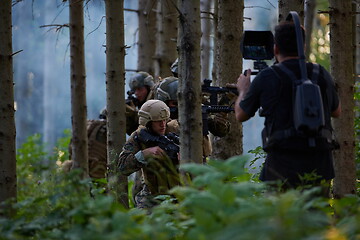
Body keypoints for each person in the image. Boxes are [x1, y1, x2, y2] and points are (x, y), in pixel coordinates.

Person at [234, 21, 341, 194]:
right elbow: (337, 111)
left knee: (282, 219)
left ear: (275, 49)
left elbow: (241, 115)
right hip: (320, 164)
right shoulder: (319, 72)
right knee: (316, 217)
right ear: (303, 47)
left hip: (281, 166)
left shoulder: (267, 76)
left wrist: (243, 90)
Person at [118, 99, 180, 208]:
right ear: (148, 122)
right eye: (158, 121)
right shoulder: (139, 137)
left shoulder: (176, 129)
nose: (163, 124)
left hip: (180, 192)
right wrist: (143, 154)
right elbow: (123, 167)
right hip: (152, 195)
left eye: (164, 120)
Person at [154, 76, 231, 161]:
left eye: (181, 102)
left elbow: (220, 130)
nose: (179, 107)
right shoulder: (156, 120)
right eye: (175, 103)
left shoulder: (194, 112)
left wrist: (224, 106)